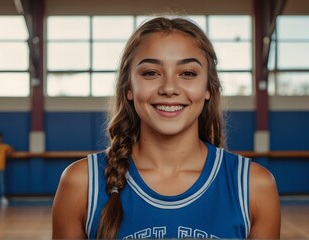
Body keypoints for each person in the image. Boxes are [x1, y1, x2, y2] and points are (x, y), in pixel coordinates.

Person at [52, 17, 280, 239]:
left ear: (208, 88)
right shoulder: (81, 183)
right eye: (151, 73)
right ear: (129, 88)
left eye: (188, 73)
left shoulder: (254, 186)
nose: (169, 88)